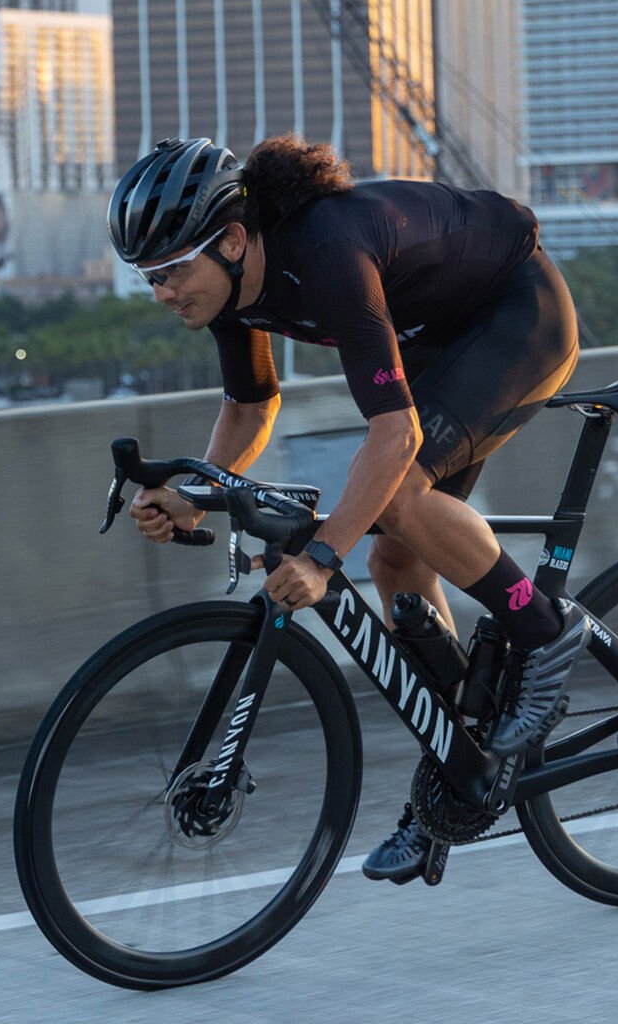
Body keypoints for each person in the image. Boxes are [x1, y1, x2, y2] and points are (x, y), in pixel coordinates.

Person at [110, 135, 591, 884]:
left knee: (394, 500)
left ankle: (542, 628)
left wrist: (320, 556)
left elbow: (393, 434)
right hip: (435, 343)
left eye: (171, 271)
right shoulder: (234, 295)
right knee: (392, 553)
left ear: (233, 239)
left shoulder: (327, 252)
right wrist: (190, 492)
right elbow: (248, 407)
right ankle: (460, 766)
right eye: (148, 279)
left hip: (516, 317)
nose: (163, 293)